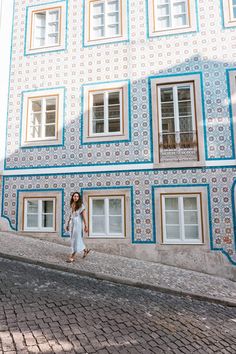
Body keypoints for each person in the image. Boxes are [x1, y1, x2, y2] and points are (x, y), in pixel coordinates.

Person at [66, 192, 90, 263]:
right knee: (76, 238)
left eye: (77, 196)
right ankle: (85, 250)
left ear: (79, 198)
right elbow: (70, 216)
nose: (75, 197)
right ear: (72, 197)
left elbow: (84, 217)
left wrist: (86, 226)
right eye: (74, 196)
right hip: (72, 224)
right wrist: (67, 224)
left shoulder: (81, 206)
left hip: (78, 224)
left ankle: (72, 256)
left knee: (75, 239)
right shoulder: (72, 205)